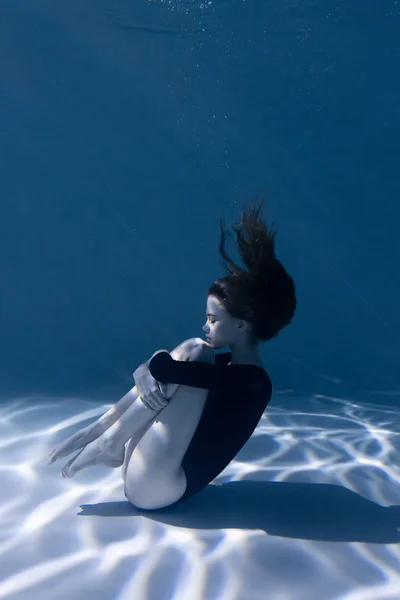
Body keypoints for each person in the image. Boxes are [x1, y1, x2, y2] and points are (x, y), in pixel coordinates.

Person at [47, 198, 296, 510]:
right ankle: (104, 433)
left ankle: (108, 441)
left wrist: (148, 364)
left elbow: (166, 370)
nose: (206, 326)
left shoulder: (252, 383)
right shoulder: (227, 369)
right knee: (189, 351)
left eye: (214, 320)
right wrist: (148, 368)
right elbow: (168, 371)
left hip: (162, 489)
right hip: (147, 477)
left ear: (242, 325)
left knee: (193, 348)